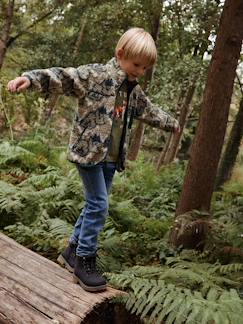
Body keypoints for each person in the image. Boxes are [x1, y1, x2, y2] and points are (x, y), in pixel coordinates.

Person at [7, 27, 180, 292]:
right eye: (136, 65)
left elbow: (149, 111)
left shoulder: (133, 90)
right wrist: (30, 79)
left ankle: (72, 251)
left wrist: (173, 124)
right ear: (120, 54)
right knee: (99, 205)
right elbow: (63, 77)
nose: (139, 72)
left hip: (111, 158)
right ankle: (84, 259)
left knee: (93, 205)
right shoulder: (96, 75)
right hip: (89, 154)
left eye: (144, 68)